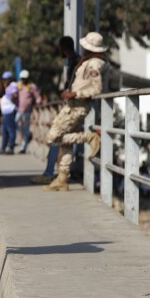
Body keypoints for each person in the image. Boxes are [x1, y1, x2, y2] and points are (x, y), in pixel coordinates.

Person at [43, 32, 107, 191]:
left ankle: (89, 138)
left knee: (52, 138)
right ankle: (62, 177)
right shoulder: (88, 61)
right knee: (65, 142)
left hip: (77, 106)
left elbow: (96, 89)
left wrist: (74, 94)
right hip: (73, 105)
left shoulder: (94, 64)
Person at [31, 36, 79, 185]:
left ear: (62, 48)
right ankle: (59, 173)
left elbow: (76, 86)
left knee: (56, 137)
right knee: (63, 139)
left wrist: (68, 93)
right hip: (71, 105)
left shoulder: (76, 62)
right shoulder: (73, 61)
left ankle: (51, 173)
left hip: (74, 106)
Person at [16, 69, 42, 154]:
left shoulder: (31, 86)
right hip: (19, 109)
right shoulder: (18, 86)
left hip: (27, 111)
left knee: (26, 127)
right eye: (22, 78)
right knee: (15, 122)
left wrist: (38, 103)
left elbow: (37, 97)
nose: (23, 80)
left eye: (24, 78)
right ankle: (27, 133)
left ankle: (23, 147)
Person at [0, 71, 18, 154]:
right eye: (4, 79)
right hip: (6, 111)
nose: (5, 81)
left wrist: (12, 98)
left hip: (10, 110)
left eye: (6, 79)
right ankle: (3, 148)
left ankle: (11, 148)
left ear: (10, 79)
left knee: (10, 130)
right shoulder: (6, 86)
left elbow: (15, 95)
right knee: (5, 131)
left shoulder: (13, 85)